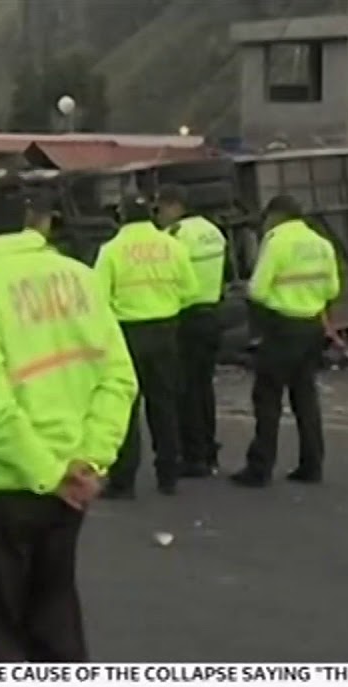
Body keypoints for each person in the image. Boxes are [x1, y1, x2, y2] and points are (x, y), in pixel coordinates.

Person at [0, 161, 137, 661]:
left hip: (0, 491)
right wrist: (89, 461)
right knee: (54, 629)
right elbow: (119, 379)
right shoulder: (78, 276)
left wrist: (47, 473)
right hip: (68, 493)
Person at [230, 195, 340, 488]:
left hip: (282, 328)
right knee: (305, 398)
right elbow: (332, 288)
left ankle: (260, 468)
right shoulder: (321, 243)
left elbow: (257, 290)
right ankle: (311, 464)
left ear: (277, 216)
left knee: (267, 399)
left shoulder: (277, 241)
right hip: (312, 327)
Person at [94, 193, 197, 499]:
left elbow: (98, 298)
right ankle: (168, 475)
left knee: (126, 407)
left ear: (121, 216)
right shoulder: (173, 246)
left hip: (128, 333)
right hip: (166, 329)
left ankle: (124, 481)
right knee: (164, 404)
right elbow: (191, 289)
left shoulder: (111, 250)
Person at [156, 184, 227, 477]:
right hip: (213, 313)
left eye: (159, 209)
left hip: (186, 317)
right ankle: (209, 450)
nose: (158, 216)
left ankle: (193, 455)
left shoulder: (176, 236)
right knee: (204, 388)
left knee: (184, 391)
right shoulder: (214, 231)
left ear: (174, 206)